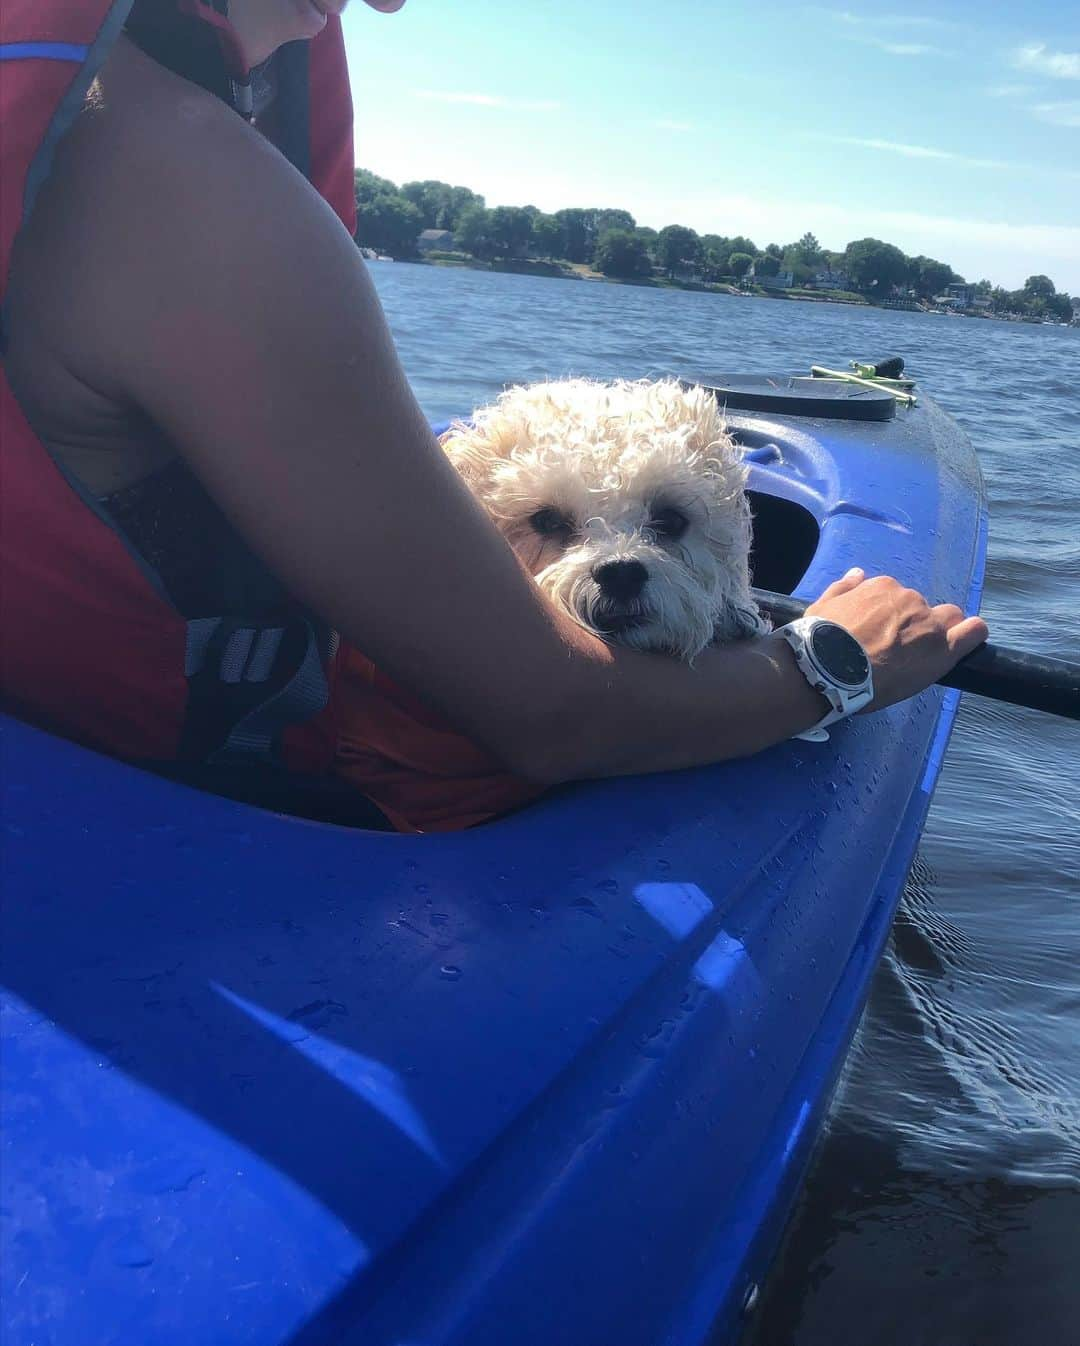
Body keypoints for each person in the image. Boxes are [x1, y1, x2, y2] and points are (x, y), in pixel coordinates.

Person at [0, 0, 988, 831]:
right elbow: (548, 714)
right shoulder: (180, 179)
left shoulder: (74, 117)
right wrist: (829, 659)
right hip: (206, 820)